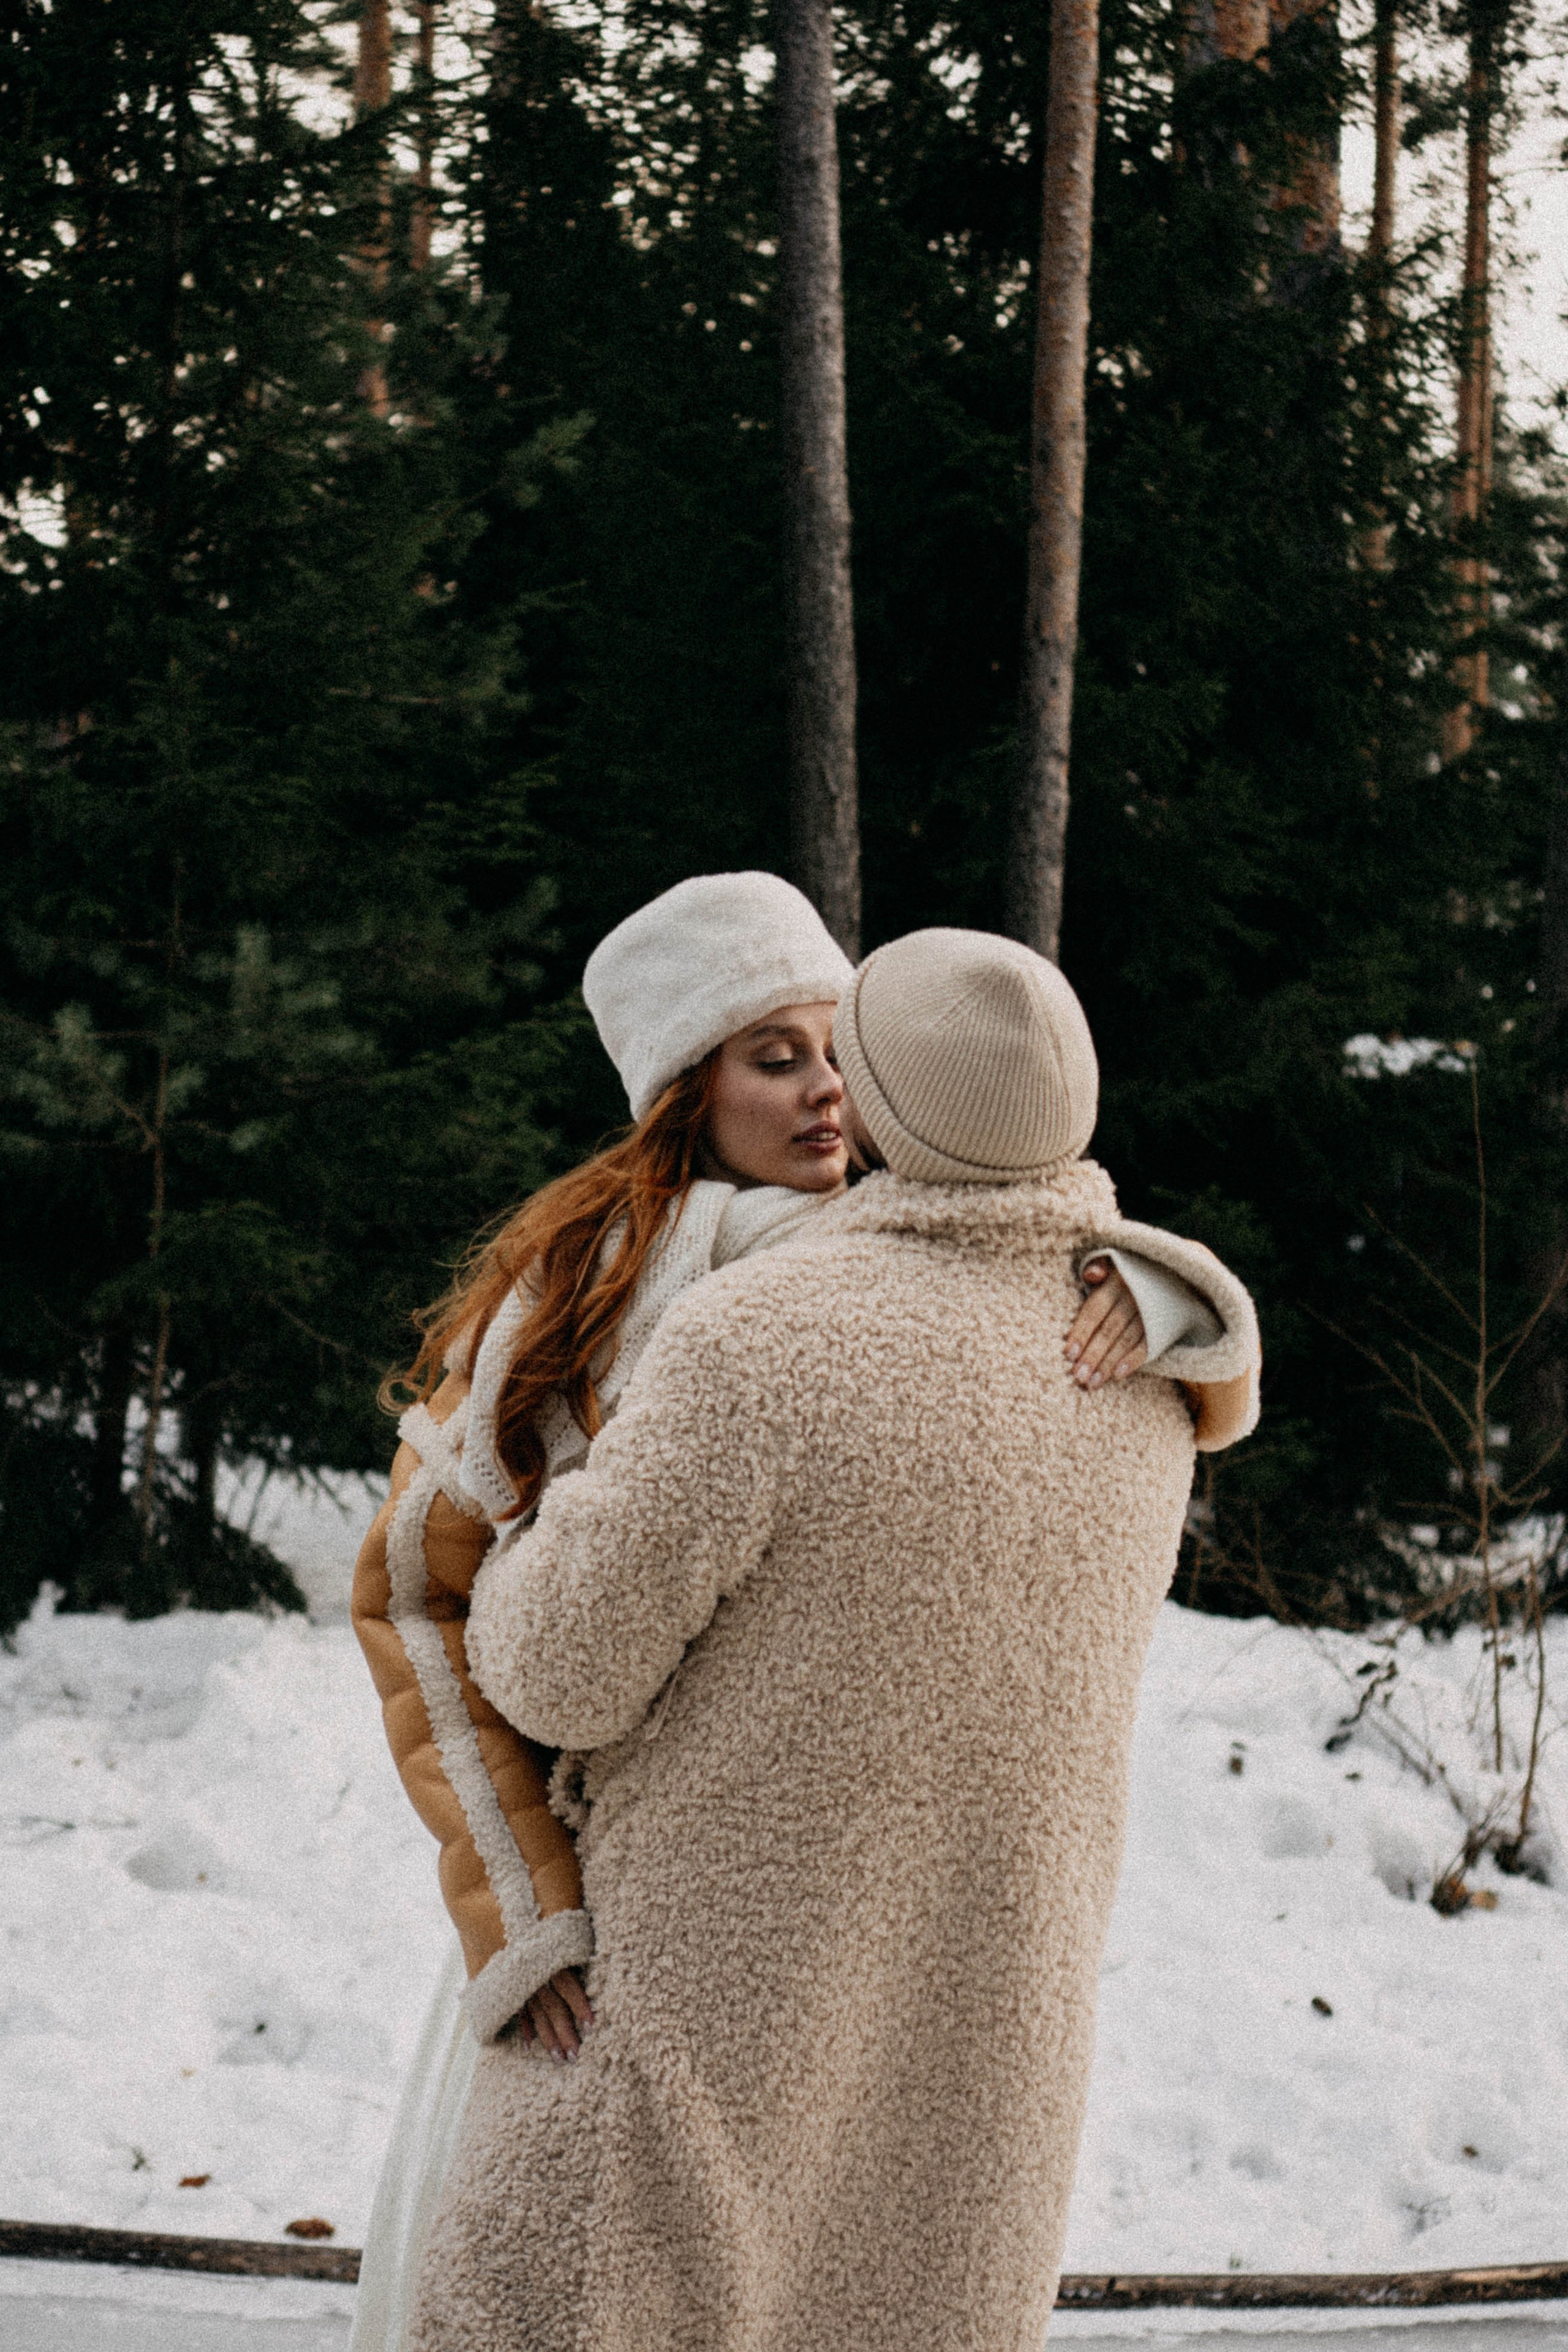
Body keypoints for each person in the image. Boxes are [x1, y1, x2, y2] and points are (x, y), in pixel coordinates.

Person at [349, 878, 1243, 2352]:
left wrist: (1181, 1298)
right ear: (679, 1093)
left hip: (837, 1951)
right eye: (773, 1057)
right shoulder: (585, 1289)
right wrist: (518, 1911)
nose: (826, 1090)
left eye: (842, 1052)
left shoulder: (1003, 1293)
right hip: (586, 1925)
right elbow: (415, 1594)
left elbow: (1089, 1319)